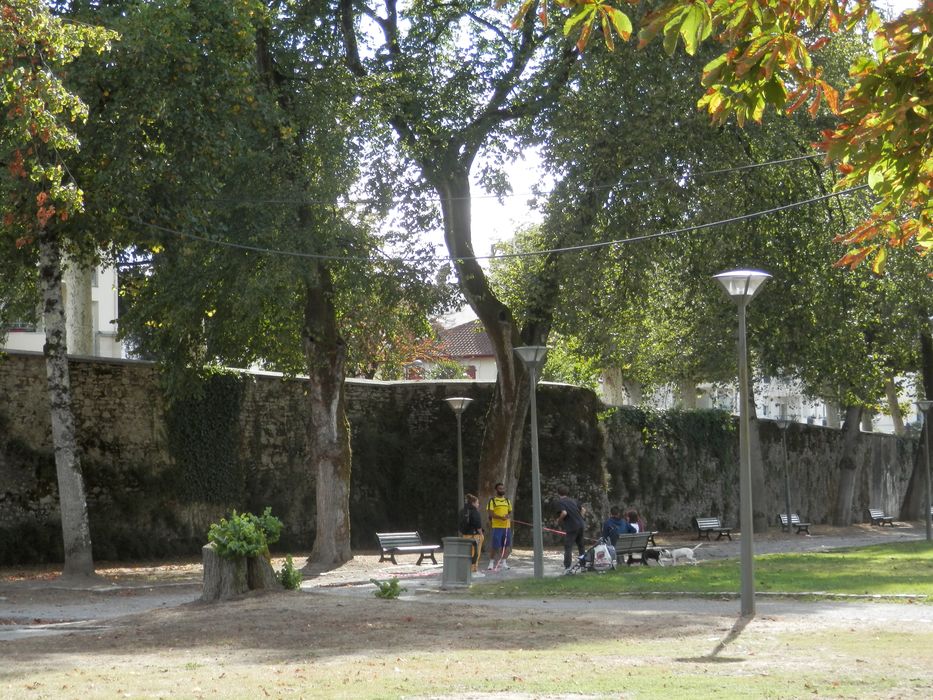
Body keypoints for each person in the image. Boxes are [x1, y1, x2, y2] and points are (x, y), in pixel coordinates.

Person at [554, 484, 586, 573]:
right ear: (567, 493)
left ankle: (567, 567)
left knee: (568, 547)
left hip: (572, 526)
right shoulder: (573, 500)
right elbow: (583, 509)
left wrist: (558, 520)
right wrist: (581, 518)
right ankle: (583, 566)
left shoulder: (560, 502)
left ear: (558, 493)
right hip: (581, 525)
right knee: (581, 546)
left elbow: (564, 513)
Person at [486, 482, 513, 571]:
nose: (502, 490)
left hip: (507, 527)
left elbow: (509, 511)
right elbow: (491, 513)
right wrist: (500, 517)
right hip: (497, 527)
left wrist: (507, 516)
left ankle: (504, 562)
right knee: (495, 545)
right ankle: (491, 562)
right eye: (500, 488)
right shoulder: (492, 500)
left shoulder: (507, 500)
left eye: (503, 488)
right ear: (496, 490)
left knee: (507, 545)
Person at [459, 493, 484, 575]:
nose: (478, 504)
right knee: (475, 553)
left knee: (466, 554)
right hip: (474, 536)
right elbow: (478, 525)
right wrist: (481, 535)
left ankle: (465, 569)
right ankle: (473, 570)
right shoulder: (474, 512)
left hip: (465, 536)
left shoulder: (462, 511)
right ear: (473, 503)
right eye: (477, 503)